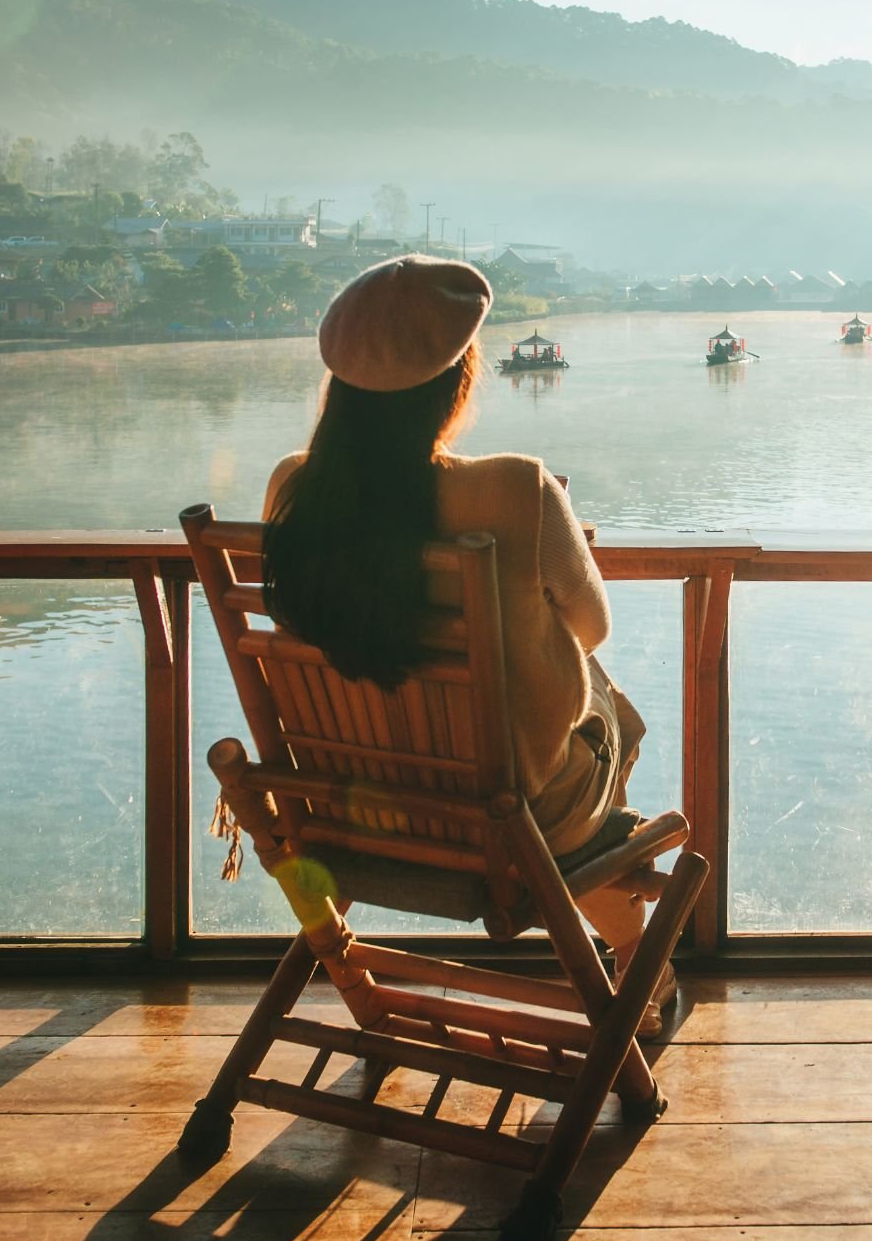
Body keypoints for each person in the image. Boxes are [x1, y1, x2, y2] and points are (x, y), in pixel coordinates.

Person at [260, 254, 675, 1036]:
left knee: (578, 732)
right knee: (603, 710)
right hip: (501, 821)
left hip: (351, 807)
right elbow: (591, 628)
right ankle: (637, 947)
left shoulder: (292, 489)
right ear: (459, 381)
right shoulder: (514, 488)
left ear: (339, 388)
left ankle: (633, 940)